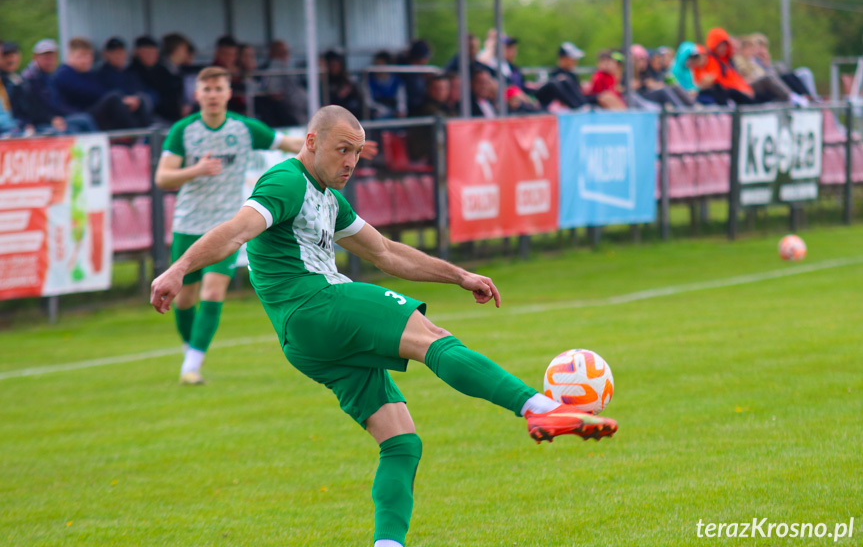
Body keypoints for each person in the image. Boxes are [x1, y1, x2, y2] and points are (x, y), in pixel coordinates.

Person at [150, 104, 618, 547]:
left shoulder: (328, 197)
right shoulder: (285, 182)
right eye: (343, 149)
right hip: (318, 303)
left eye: (357, 151)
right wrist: (178, 269)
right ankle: (539, 408)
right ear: (311, 141)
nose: (352, 160)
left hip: (305, 341)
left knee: (401, 442)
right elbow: (235, 230)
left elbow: (386, 252)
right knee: (433, 339)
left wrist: (459, 275)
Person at [153, 67, 377, 385]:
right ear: (197, 94)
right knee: (185, 299)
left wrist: (342, 147)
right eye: (207, 89)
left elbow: (291, 144)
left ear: (229, 93)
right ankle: (191, 348)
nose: (213, 95)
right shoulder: (183, 131)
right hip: (189, 223)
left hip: (230, 224)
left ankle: (192, 365)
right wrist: (197, 170)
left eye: (219, 88)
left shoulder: (245, 128)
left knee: (213, 289)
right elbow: (162, 178)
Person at [54, 37, 151, 130]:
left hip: (92, 112)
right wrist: (122, 99)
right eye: (82, 56)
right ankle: (137, 134)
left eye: (89, 55)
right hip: (79, 114)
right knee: (115, 97)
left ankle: (149, 132)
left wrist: (127, 100)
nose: (87, 60)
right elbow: (87, 92)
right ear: (70, 56)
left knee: (138, 100)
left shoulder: (89, 74)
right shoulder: (64, 73)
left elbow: (100, 90)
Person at [20, 39, 97, 134]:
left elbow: (56, 104)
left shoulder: (47, 77)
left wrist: (73, 112)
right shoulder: (30, 79)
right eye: (47, 58)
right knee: (75, 127)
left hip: (54, 118)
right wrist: (51, 119)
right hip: (41, 123)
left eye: (53, 58)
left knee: (84, 118)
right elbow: (32, 109)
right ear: (35, 57)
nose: (50, 62)